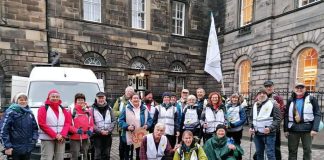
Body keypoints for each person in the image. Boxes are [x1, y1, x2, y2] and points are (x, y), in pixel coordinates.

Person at [284, 83, 321, 160]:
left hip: (307, 129)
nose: (299, 89)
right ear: (294, 89)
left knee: (307, 151)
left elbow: (317, 114)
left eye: (301, 88)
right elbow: (286, 115)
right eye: (297, 88)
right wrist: (286, 130)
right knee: (292, 151)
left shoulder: (311, 99)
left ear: (305, 89)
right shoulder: (290, 100)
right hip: (293, 129)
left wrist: (315, 129)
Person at [0, 93, 38, 160]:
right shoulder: (10, 112)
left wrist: (33, 141)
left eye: (25, 100)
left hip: (27, 147)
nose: (23, 101)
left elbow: (35, 128)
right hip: (14, 148)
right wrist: (8, 146)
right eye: (21, 100)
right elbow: (3, 130)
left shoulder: (29, 113)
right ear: (16, 101)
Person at [38, 89, 71, 160]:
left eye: (57, 96)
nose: (55, 98)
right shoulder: (43, 108)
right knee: (46, 158)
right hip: (47, 138)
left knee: (60, 158)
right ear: (48, 97)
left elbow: (67, 123)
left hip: (61, 138)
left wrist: (62, 134)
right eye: (53, 96)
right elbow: (41, 123)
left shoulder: (63, 109)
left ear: (59, 98)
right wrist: (55, 135)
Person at [249, 88, 281, 160]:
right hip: (257, 134)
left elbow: (278, 119)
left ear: (266, 95)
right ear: (257, 96)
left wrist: (270, 128)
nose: (262, 95)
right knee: (259, 153)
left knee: (270, 154)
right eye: (260, 93)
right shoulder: (254, 105)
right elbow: (251, 118)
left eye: (264, 93)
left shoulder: (273, 104)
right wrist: (251, 127)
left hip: (269, 134)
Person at [119, 93, 153, 160]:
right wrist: (127, 126)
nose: (136, 99)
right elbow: (120, 120)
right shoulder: (126, 108)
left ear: (139, 99)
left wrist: (147, 125)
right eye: (134, 98)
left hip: (140, 134)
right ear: (131, 100)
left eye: (137, 98)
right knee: (128, 154)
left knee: (140, 153)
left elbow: (150, 119)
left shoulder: (144, 108)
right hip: (130, 134)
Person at [263, 80, 285, 160]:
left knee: (276, 147)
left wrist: (279, 109)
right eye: (266, 86)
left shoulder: (278, 98)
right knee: (262, 146)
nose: (268, 88)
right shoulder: (260, 96)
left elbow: (282, 112)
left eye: (270, 86)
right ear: (264, 88)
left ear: (273, 87)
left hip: (275, 127)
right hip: (262, 127)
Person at [69, 93, 94, 160]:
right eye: (79, 100)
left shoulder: (88, 110)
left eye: (82, 99)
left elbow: (91, 124)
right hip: (75, 137)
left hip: (85, 137)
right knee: (75, 155)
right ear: (75, 101)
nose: (80, 101)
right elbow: (68, 124)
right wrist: (76, 130)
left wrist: (91, 130)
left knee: (85, 155)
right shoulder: (71, 111)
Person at [92, 92, 116, 160]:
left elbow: (114, 120)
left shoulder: (109, 108)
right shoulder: (92, 109)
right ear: (96, 98)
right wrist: (100, 131)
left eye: (102, 98)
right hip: (97, 136)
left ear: (105, 98)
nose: (101, 99)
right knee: (98, 155)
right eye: (99, 98)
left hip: (107, 135)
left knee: (106, 154)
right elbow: (91, 123)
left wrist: (108, 131)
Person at [112, 86, 134, 160]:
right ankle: (121, 157)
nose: (129, 93)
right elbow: (113, 112)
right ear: (125, 92)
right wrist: (123, 113)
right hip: (122, 126)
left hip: (132, 127)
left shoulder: (134, 100)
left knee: (130, 145)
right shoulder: (119, 100)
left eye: (131, 92)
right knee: (122, 145)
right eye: (128, 91)